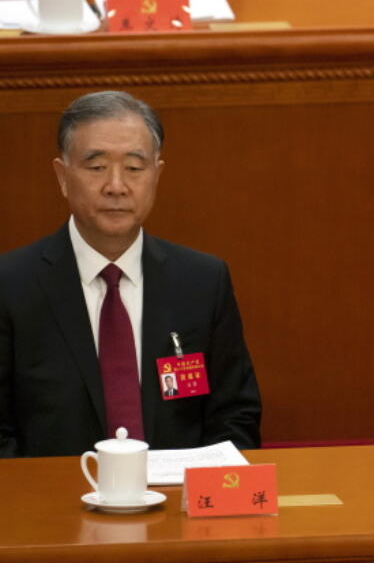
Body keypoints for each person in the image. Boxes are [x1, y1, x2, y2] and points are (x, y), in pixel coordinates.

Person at [0, 91, 260, 457]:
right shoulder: (10, 286)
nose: (116, 186)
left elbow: (234, 416)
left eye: (135, 168)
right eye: (96, 167)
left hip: (174, 502)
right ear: (62, 176)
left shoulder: (202, 281)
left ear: (157, 174)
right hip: (52, 504)